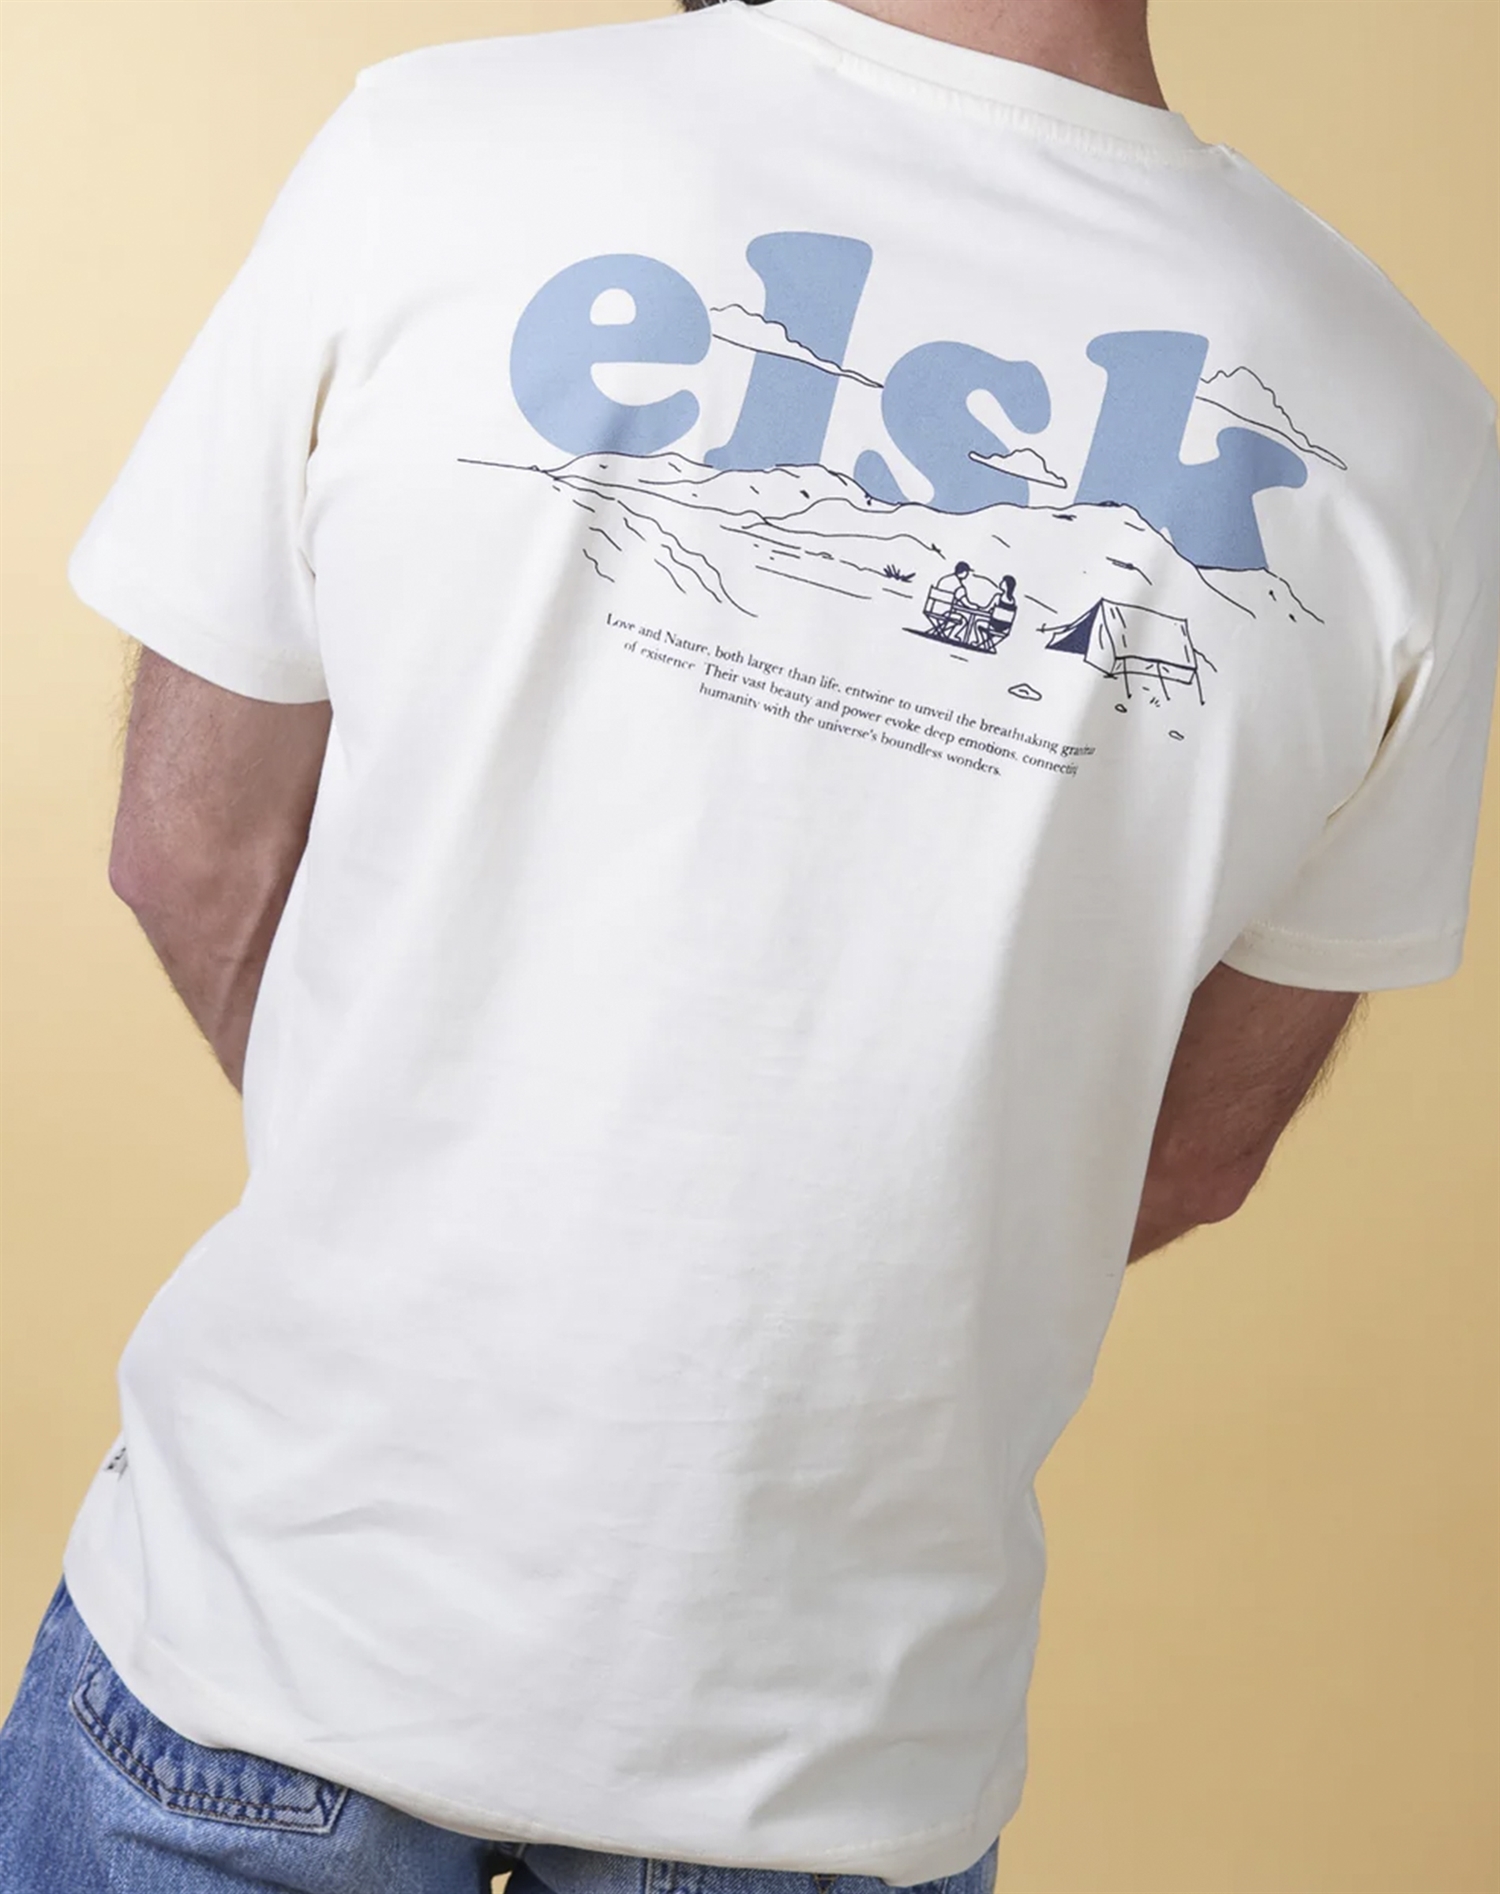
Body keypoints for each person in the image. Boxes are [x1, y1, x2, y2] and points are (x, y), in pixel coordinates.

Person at [2, 0, 1496, 1888]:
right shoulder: (1407, 425)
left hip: (270, 1626)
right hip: (830, 1751)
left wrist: (439, 1154)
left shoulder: (442, 149)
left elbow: (189, 847)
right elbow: (1190, 1145)